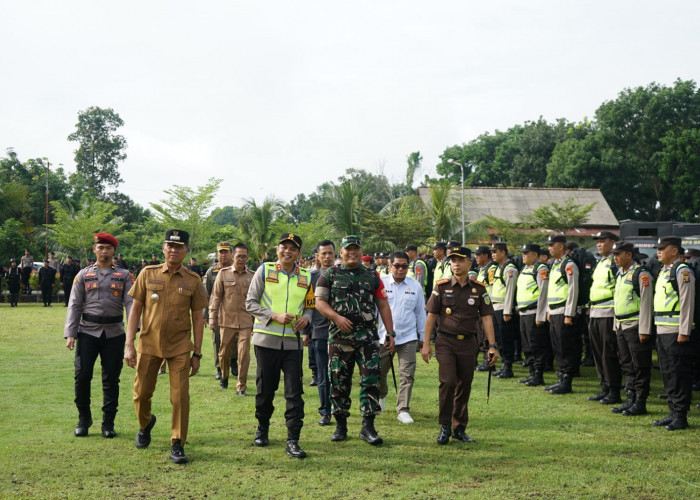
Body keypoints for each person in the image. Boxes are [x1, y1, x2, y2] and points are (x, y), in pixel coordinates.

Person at [124, 229, 208, 464]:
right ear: (163, 248)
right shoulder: (147, 273)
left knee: (180, 397)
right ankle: (145, 423)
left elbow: (198, 319)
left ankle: (177, 443)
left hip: (180, 346)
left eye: (179, 247)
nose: (173, 250)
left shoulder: (193, 279)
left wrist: (197, 353)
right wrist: (129, 344)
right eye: (169, 246)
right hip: (148, 343)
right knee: (141, 394)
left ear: (186, 251)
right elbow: (135, 310)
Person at [314, 235, 395, 446]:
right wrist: (336, 317)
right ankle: (341, 425)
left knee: (370, 381)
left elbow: (383, 305)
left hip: (368, 340)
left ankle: (368, 427)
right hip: (339, 340)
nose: (352, 252)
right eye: (348, 249)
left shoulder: (372, 276)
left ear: (361, 251)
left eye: (356, 249)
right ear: (341, 252)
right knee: (339, 382)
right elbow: (319, 302)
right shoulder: (329, 275)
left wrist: (391, 333)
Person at [421, 245, 499, 444]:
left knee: (464, 385)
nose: (456, 264)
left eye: (460, 260)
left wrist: (492, 346)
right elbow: (431, 316)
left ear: (469, 263)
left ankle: (459, 427)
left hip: (468, 343)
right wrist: (426, 344)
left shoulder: (479, 289)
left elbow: (487, 318)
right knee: (447, 382)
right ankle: (445, 426)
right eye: (453, 260)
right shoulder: (441, 286)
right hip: (445, 342)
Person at [245, 233, 313, 459]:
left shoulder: (306, 276)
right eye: (284, 247)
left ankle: (293, 439)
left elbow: (310, 306)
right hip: (266, 341)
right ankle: (262, 428)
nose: (287, 251)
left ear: (299, 254)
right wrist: (273, 315)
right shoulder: (264, 270)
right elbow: (250, 303)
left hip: (293, 344)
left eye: (292, 248)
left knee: (294, 393)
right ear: (277, 250)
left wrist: (307, 319)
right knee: (266, 390)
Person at [63, 233, 133, 438]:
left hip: (114, 333)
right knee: (82, 375)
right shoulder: (83, 275)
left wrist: (133, 331)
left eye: (108, 248)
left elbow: (131, 304)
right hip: (87, 332)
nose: (104, 251)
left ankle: (108, 423)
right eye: (100, 247)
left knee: (111, 378)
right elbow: (74, 304)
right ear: (94, 250)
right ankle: (83, 419)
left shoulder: (124, 275)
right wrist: (70, 333)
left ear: (114, 251)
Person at [377, 251, 426, 424]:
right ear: (390, 265)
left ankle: (403, 409)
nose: (400, 269)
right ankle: (381, 396)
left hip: (408, 337)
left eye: (404, 266)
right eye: (396, 265)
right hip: (384, 337)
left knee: (407, 374)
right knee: (379, 373)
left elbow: (421, 314)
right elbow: (376, 311)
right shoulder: (381, 283)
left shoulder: (415, 286)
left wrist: (423, 338)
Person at [652, 236, 695, 431]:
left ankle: (681, 415)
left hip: (676, 330)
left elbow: (687, 302)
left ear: (675, 251)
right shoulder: (664, 271)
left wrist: (684, 331)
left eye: (663, 248)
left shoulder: (682, 270)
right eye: (658, 248)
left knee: (679, 373)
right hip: (662, 329)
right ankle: (672, 411)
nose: (659, 251)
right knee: (667, 372)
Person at [609, 241, 654, 416]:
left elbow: (646, 303)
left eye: (618, 254)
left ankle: (640, 402)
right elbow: (617, 301)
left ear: (629, 254)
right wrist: (615, 324)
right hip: (621, 325)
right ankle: (630, 399)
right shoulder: (620, 274)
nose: (615, 258)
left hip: (635, 326)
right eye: (614, 254)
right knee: (627, 365)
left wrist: (644, 329)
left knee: (640, 365)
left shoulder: (641, 274)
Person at [208, 243, 255, 394]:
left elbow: (257, 300)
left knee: (243, 354)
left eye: (244, 256)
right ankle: (224, 375)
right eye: (238, 256)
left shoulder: (252, 276)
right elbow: (216, 297)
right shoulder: (223, 274)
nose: (241, 259)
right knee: (224, 353)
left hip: (246, 321)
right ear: (233, 256)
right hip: (227, 321)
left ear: (247, 258)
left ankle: (241, 386)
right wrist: (212, 317)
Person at [303, 240, 336, 426]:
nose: (327, 257)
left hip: (341, 333)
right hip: (319, 333)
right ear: (317, 256)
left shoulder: (343, 275)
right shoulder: (311, 278)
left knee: (339, 376)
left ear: (335, 254)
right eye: (323, 253)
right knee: (323, 376)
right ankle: (325, 411)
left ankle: (339, 408)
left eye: (330, 253)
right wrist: (306, 332)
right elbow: (308, 307)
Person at [588, 231, 621, 404]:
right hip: (595, 311)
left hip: (608, 312)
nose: (599, 244)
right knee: (597, 352)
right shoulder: (600, 262)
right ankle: (604, 387)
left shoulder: (615, 262)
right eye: (598, 241)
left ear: (613, 243)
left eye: (603, 241)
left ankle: (614, 390)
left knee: (608, 353)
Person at [545, 234, 579, 395]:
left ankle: (567, 381)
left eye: (552, 245)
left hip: (564, 310)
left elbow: (573, 290)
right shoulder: (554, 265)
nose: (550, 248)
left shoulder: (569, 265)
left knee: (565, 348)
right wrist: (548, 310)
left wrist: (569, 313)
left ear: (561, 246)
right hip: (554, 310)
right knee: (557, 347)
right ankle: (561, 378)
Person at [515, 244, 549, 386]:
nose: (523, 255)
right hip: (523, 313)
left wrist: (540, 316)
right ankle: (531, 372)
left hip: (534, 312)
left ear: (535, 255)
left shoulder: (541, 269)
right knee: (527, 345)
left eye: (526, 253)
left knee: (536, 345)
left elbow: (543, 293)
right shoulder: (525, 269)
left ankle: (538, 374)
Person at [204, 243, 237, 382]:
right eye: (220, 252)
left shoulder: (237, 269)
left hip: (234, 312)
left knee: (235, 339)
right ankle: (219, 367)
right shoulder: (211, 272)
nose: (223, 255)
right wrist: (207, 314)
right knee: (218, 340)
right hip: (217, 313)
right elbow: (206, 294)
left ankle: (233, 362)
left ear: (231, 254)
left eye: (225, 252)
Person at [490, 243, 519, 378]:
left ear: (503, 252)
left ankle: (508, 367)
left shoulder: (510, 269)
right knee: (499, 339)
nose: (493, 254)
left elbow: (510, 292)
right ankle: (504, 365)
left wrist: (507, 311)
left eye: (495, 252)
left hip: (503, 309)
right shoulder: (498, 268)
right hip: (496, 308)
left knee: (506, 339)